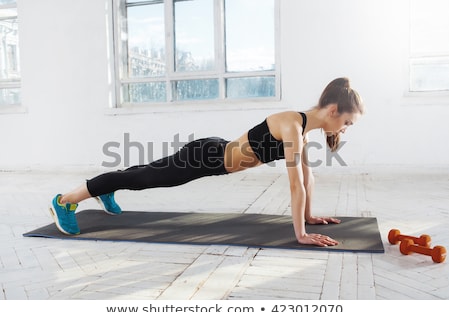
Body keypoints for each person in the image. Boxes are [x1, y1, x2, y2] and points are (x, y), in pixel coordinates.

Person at [50, 77, 364, 247]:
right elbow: (295, 187)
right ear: (334, 109)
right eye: (348, 122)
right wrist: (300, 234)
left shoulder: (302, 130)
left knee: (144, 173)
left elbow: (307, 180)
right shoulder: (293, 127)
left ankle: (107, 190)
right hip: (202, 159)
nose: (346, 129)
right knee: (142, 179)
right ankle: (66, 200)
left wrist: (310, 218)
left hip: (212, 153)